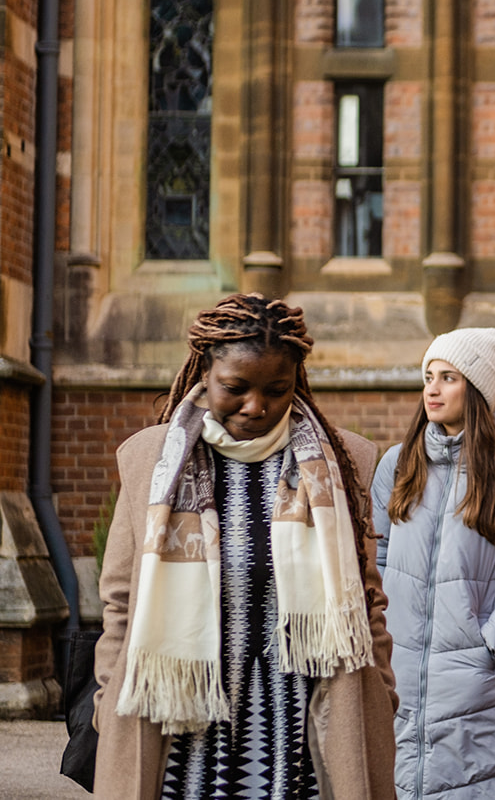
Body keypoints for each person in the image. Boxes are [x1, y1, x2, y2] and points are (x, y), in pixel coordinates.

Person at [92, 294, 396, 800]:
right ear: (204, 374)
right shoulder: (149, 462)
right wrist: (108, 698)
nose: (256, 406)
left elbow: (368, 601)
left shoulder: (346, 462)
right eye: (235, 388)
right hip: (178, 730)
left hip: (305, 729)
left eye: (276, 390)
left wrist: (382, 695)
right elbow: (119, 601)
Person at [372, 327, 495, 800]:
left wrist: (489, 648)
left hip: (482, 690)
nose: (431, 389)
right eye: (428, 376)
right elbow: (370, 560)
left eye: (448, 377)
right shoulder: (397, 465)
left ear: (475, 388)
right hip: (398, 677)